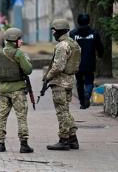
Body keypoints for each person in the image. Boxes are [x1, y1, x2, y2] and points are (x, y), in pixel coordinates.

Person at [0, 27, 34, 153]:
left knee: (1, 117)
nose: (21, 41)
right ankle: (24, 144)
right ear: (14, 40)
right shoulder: (19, 54)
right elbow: (28, 70)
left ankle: (0, 143)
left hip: (3, 91)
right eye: (19, 39)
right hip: (18, 91)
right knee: (21, 117)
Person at [44, 19, 81, 150]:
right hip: (69, 81)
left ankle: (63, 140)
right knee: (65, 110)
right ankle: (73, 139)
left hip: (60, 82)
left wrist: (47, 77)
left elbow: (58, 66)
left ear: (58, 31)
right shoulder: (73, 43)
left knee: (61, 112)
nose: (53, 34)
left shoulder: (62, 46)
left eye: (54, 31)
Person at [69, 13, 104, 109]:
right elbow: (100, 47)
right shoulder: (94, 33)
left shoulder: (73, 34)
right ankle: (87, 94)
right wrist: (100, 55)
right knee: (89, 81)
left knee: (79, 82)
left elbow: (69, 48)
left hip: (77, 63)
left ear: (78, 21)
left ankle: (82, 103)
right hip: (89, 62)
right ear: (89, 21)